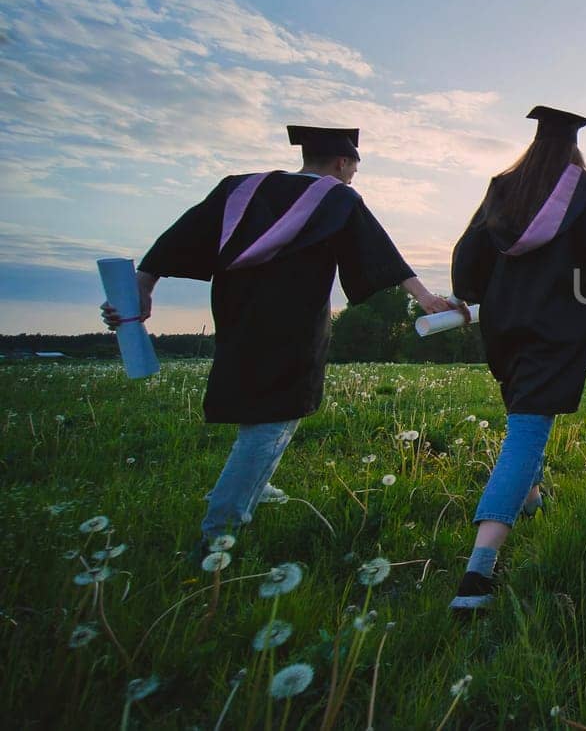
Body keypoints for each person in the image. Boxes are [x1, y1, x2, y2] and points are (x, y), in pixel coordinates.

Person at [100, 125, 458, 559]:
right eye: (352, 171)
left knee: (259, 408)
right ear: (342, 163)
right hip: (294, 322)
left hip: (237, 315)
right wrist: (425, 299)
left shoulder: (241, 189)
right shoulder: (337, 198)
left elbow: (182, 234)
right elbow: (381, 254)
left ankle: (258, 482)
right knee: (275, 418)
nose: (350, 179)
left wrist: (143, 284)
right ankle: (219, 533)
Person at [446, 105, 586, 614]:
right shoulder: (585, 192)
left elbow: (470, 254)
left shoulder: (504, 185)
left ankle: (531, 497)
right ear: (575, 147)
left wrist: (467, 297)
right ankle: (478, 570)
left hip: (503, 324)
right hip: (554, 326)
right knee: (527, 430)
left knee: (524, 414)